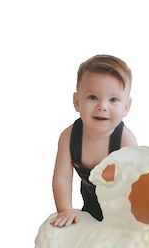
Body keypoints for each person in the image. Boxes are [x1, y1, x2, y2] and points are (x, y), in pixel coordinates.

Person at [50, 55, 137, 227]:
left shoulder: (125, 140)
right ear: (77, 102)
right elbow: (62, 177)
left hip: (120, 206)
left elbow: (133, 184)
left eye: (113, 100)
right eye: (93, 97)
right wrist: (65, 209)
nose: (102, 106)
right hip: (89, 203)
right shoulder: (69, 137)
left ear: (126, 107)